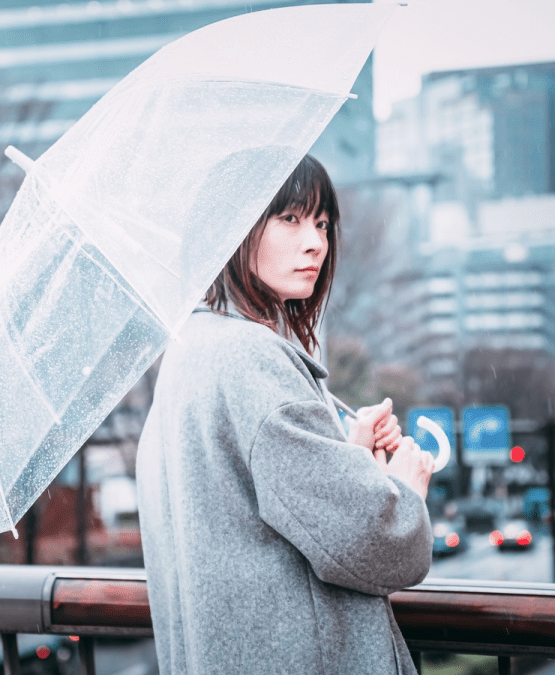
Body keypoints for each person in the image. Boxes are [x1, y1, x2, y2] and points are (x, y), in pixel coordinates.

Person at [136, 154, 435, 674]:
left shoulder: (189, 350)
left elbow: (250, 512)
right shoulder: (252, 357)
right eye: (290, 219)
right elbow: (383, 546)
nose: (316, 241)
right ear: (235, 229)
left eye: (321, 223)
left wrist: (350, 457)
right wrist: (404, 491)